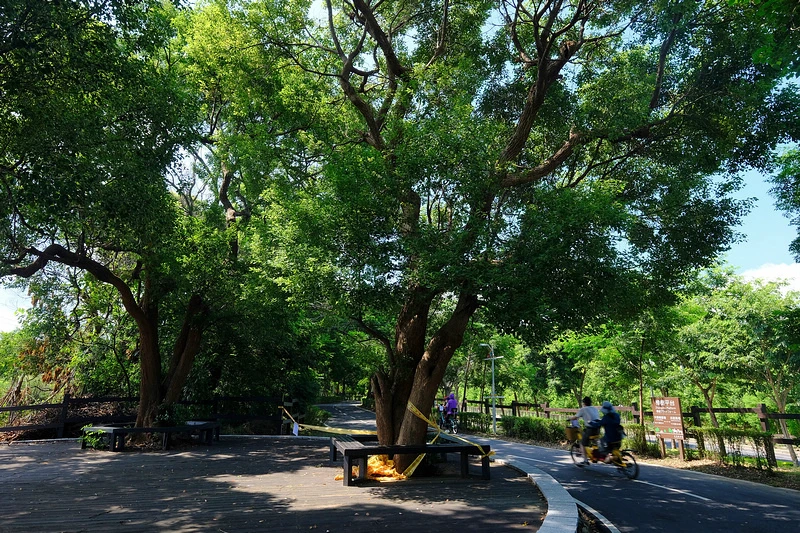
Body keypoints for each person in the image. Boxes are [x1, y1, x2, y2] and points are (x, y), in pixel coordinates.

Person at [569, 396, 600, 464]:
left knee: (582, 443)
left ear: (584, 403)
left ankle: (585, 460)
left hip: (590, 429)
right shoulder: (594, 408)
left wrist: (570, 418)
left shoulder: (583, 409)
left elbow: (575, 417)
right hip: (598, 429)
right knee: (595, 441)